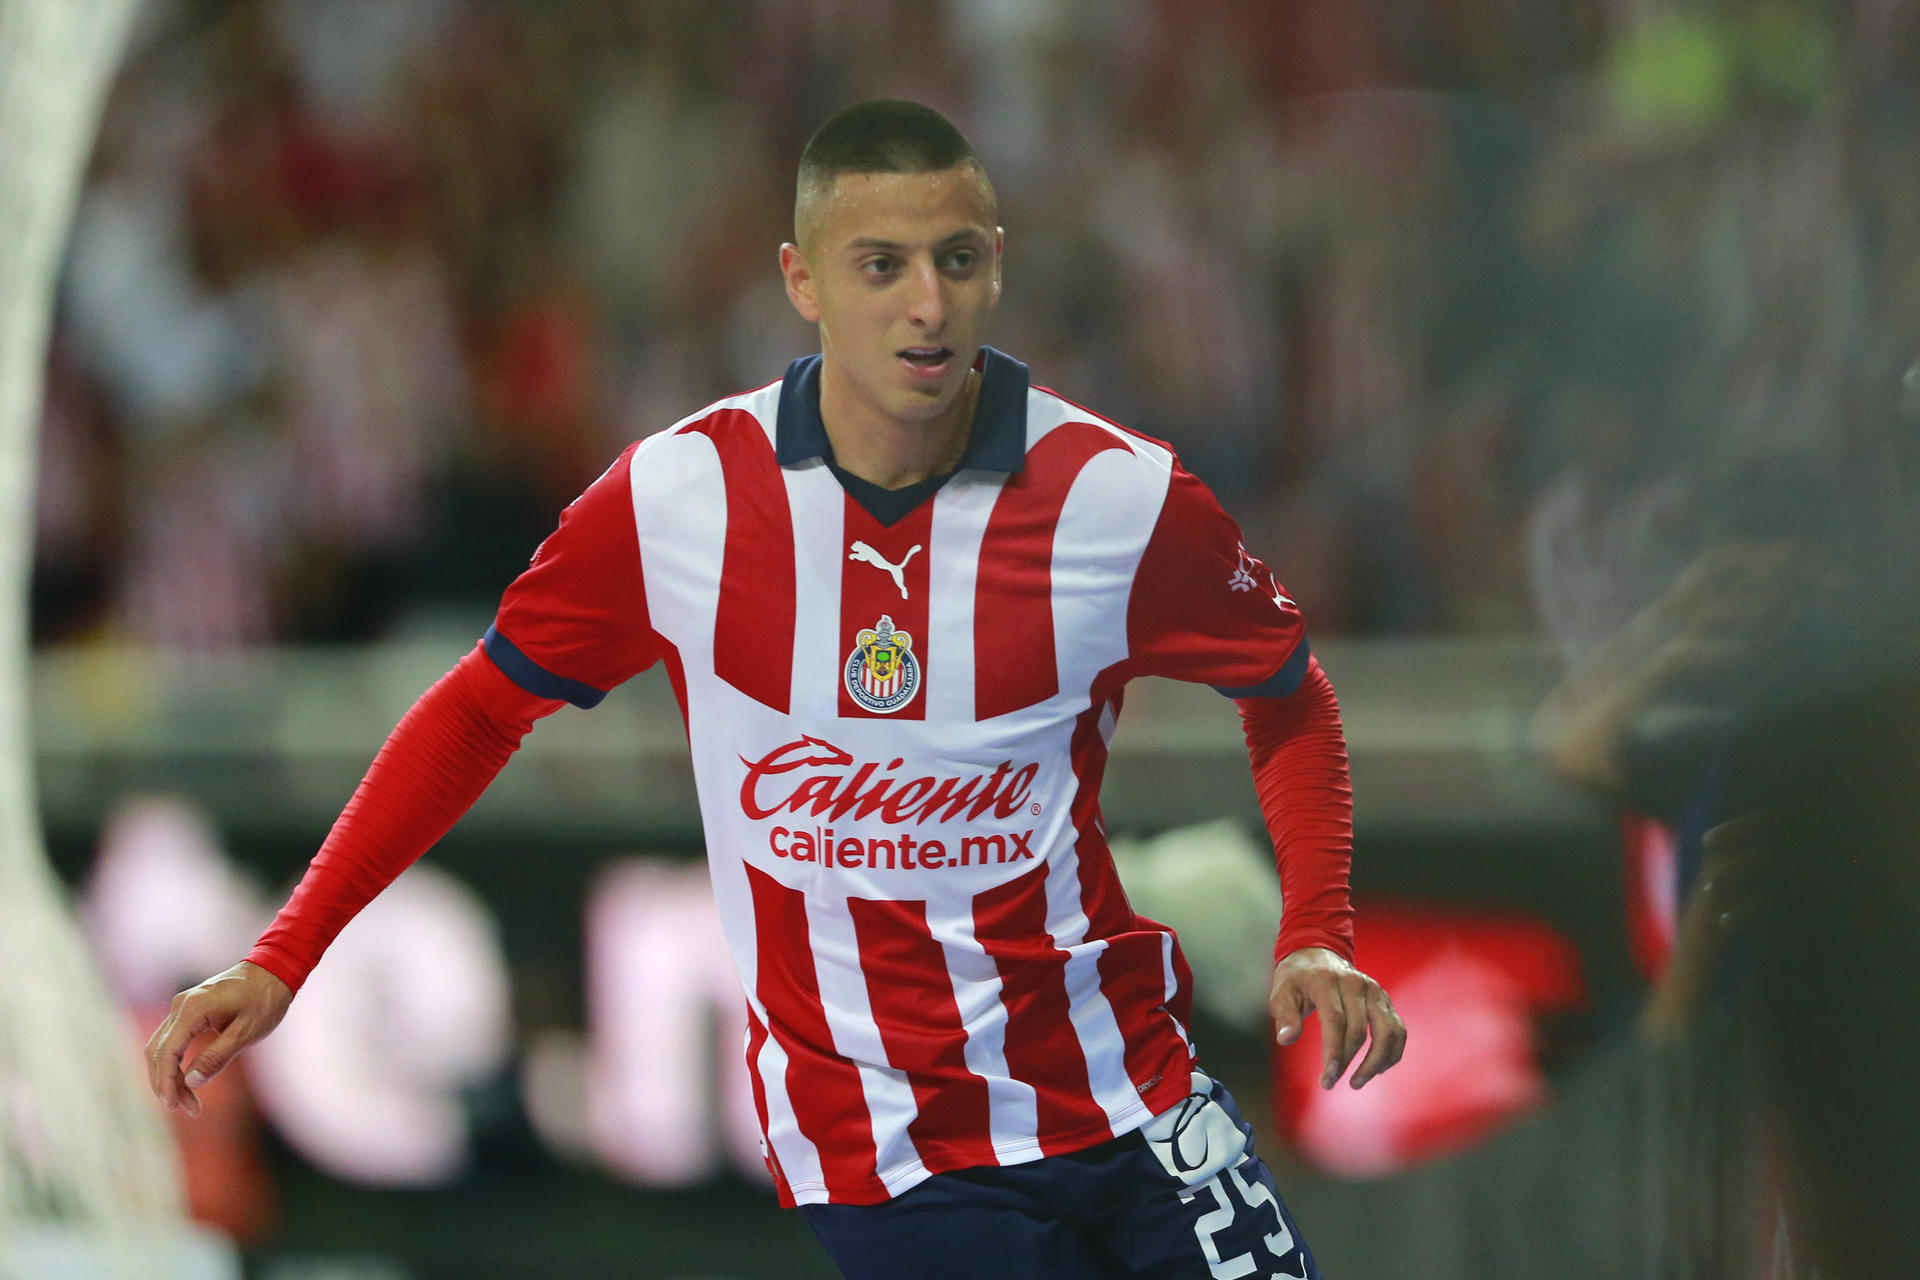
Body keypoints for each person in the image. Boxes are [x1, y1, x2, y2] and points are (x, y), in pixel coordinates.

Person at [147, 100, 1406, 1279]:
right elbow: (480, 707)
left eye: (958, 259)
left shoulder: (1118, 498)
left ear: (998, 267)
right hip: (883, 1147)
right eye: (881, 266)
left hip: (1136, 1094)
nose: (928, 304)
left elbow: (1289, 692)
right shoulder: (677, 502)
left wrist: (1317, 927)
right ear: (801, 280)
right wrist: (285, 953)